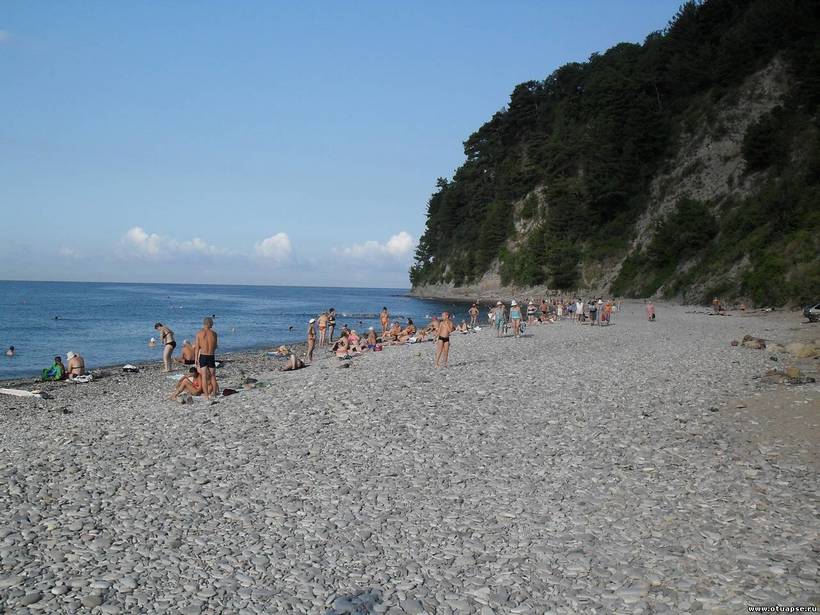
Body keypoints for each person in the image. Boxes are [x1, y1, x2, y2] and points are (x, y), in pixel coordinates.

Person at [195, 316, 218, 401]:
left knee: (204, 376)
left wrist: (196, 358)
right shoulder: (214, 334)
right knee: (213, 376)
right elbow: (215, 346)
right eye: (212, 322)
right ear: (208, 323)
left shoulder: (199, 333)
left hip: (203, 356)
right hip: (211, 355)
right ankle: (214, 394)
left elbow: (197, 347)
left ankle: (206, 396)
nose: (213, 324)